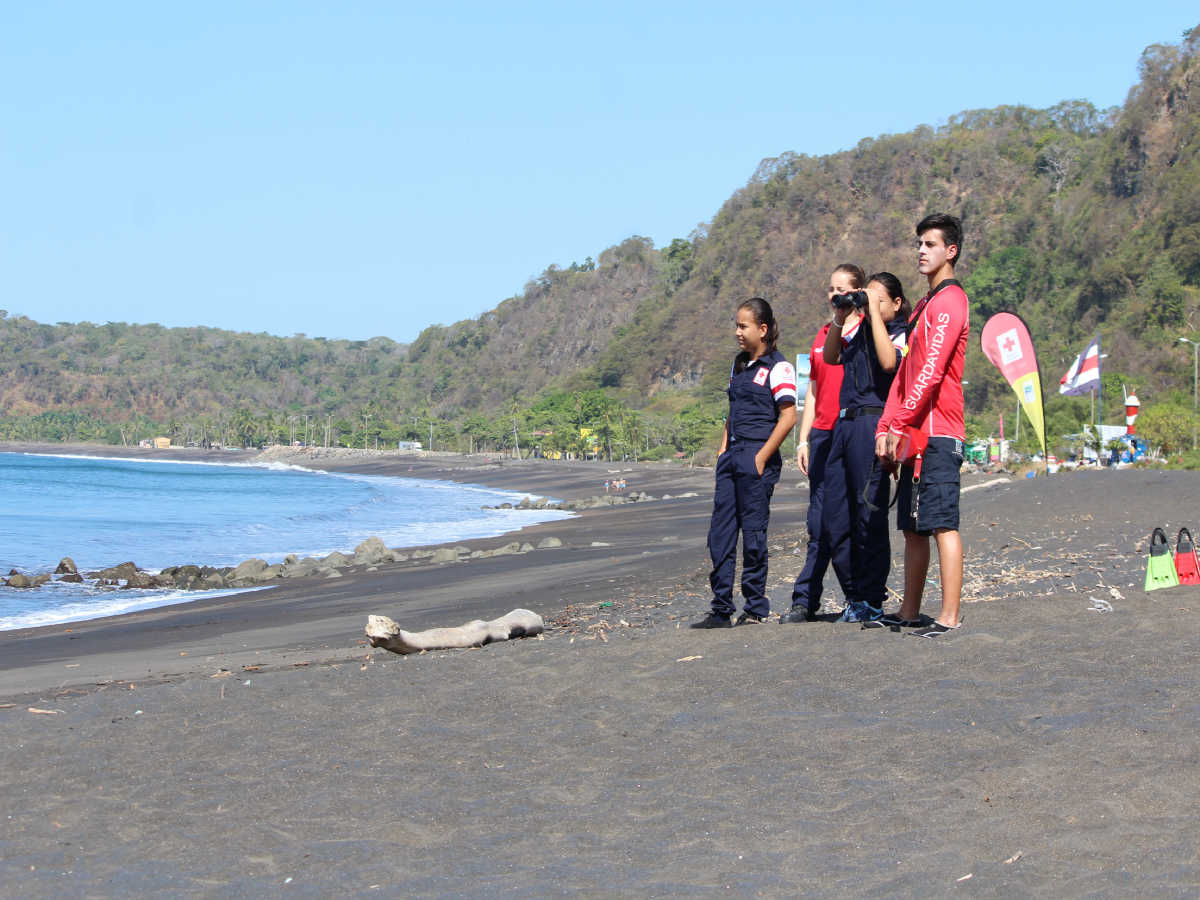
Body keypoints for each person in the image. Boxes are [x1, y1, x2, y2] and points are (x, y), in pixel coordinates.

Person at [875, 213, 970, 638]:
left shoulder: (951, 302)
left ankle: (949, 615)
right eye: (919, 243)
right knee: (913, 527)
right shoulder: (924, 307)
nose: (920, 250)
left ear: (950, 251)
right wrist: (886, 426)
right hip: (914, 432)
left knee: (941, 524)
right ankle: (909, 610)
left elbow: (931, 372)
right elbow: (904, 375)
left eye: (930, 244)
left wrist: (903, 423)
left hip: (940, 433)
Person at [693, 297, 798, 628]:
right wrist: (723, 450)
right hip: (732, 457)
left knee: (753, 537)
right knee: (720, 535)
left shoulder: (779, 368)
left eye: (743, 326)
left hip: (758, 458)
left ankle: (755, 607)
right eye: (736, 325)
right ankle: (721, 606)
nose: (737, 332)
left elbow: (788, 416)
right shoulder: (737, 365)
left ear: (762, 329)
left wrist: (762, 456)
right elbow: (732, 412)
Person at [822, 272, 911, 623]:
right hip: (844, 424)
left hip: (873, 422)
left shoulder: (899, 332)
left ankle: (872, 597)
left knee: (868, 515)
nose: (871, 304)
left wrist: (873, 313)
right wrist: (840, 318)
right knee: (836, 517)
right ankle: (853, 596)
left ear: (896, 303)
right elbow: (830, 358)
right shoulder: (857, 328)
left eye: (880, 299)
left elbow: (889, 363)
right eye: (868, 297)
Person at [780, 265, 862, 623]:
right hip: (823, 435)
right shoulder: (823, 334)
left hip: (853, 433)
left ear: (858, 293)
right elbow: (812, 388)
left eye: (842, 288)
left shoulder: (867, 334)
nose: (835, 295)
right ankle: (807, 600)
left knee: (846, 523)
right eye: (831, 288)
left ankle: (857, 596)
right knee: (819, 522)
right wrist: (803, 439)